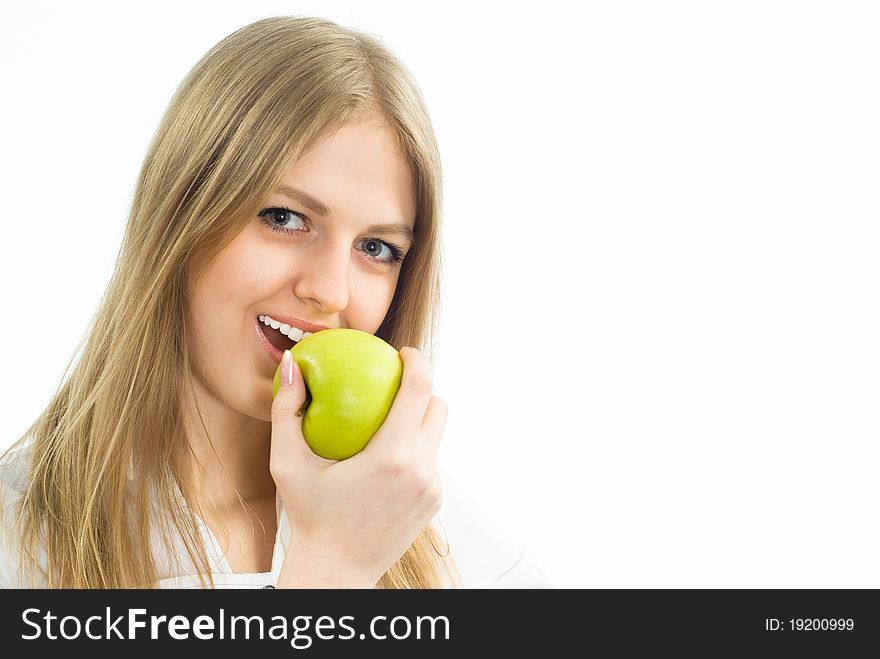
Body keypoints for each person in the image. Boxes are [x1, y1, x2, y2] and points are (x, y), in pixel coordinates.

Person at [0, 15, 551, 589]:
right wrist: (332, 570)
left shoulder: (419, 517)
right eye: (285, 218)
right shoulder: (18, 539)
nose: (331, 291)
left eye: (377, 247)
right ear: (179, 218)